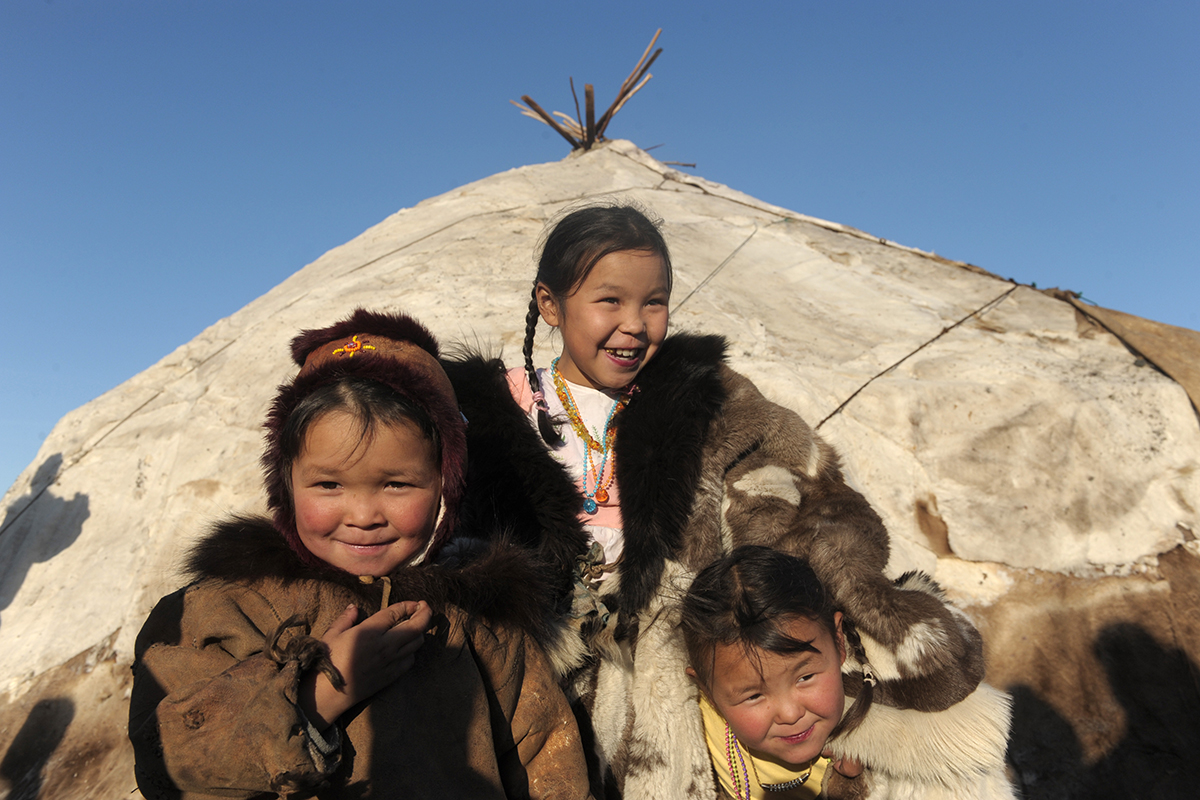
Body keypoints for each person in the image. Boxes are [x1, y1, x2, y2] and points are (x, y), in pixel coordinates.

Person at [442, 203, 1014, 799]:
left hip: (697, 666)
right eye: (609, 301)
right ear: (551, 304)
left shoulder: (709, 405)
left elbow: (806, 503)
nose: (635, 324)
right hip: (534, 675)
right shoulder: (482, 418)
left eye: (654, 302)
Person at [128, 309, 592, 800]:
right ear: (285, 481)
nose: (364, 514)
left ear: (444, 487)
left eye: (396, 484)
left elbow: (552, 772)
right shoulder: (221, 610)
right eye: (329, 484)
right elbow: (164, 768)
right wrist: (314, 698)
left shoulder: (487, 629)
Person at [681, 546, 868, 799]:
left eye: (805, 678)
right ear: (707, 691)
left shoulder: (879, 715)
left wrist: (873, 763)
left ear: (838, 641)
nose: (790, 715)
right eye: (754, 696)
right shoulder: (687, 735)